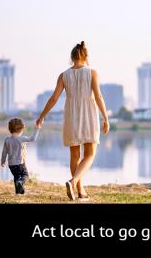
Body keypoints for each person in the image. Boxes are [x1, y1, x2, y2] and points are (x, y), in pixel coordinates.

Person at [36, 41, 109, 201]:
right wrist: (105, 117)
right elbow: (98, 97)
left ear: (72, 57)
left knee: (74, 155)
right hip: (89, 115)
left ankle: (80, 190)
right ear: (86, 56)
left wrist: (42, 115)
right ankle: (74, 182)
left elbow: (54, 98)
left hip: (71, 116)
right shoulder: (92, 73)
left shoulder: (64, 75)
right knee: (90, 154)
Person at [0, 118, 41, 194]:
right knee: (25, 175)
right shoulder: (22, 138)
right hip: (20, 164)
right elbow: (33, 139)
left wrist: (2, 162)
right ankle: (20, 182)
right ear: (21, 129)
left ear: (10, 129)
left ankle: (18, 192)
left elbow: (4, 152)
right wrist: (37, 129)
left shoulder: (7, 139)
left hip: (11, 165)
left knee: (16, 177)